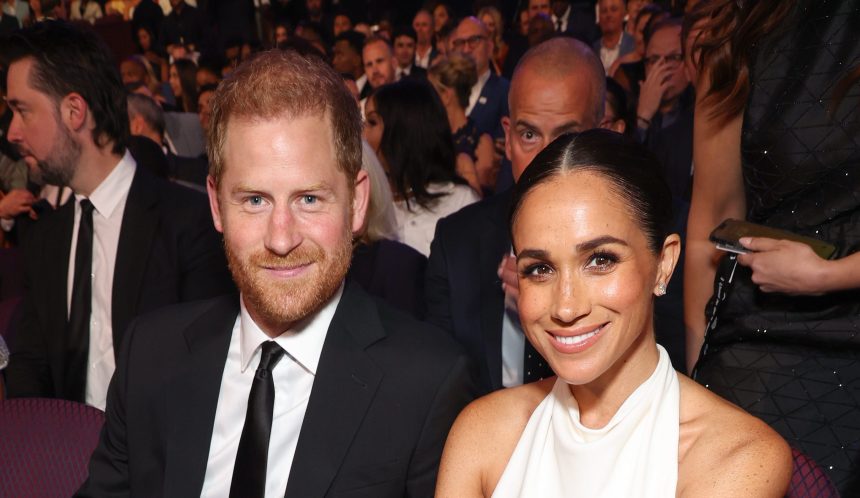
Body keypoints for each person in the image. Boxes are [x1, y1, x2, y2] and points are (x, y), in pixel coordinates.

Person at [79, 48, 475, 497]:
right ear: (215, 204)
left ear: (358, 202)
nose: (281, 239)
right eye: (254, 200)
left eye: (309, 199)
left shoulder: (427, 383)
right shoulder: (149, 356)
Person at [435, 129, 792, 497]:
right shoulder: (481, 434)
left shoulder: (737, 457)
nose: (566, 307)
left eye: (600, 260)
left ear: (663, 264)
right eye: (540, 269)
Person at [3, 21, 233, 409]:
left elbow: (207, 382)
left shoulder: (188, 224)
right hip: (65, 457)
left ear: (74, 111)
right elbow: (30, 370)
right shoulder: (44, 237)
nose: (12, 132)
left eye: (22, 111)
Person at [684, 0, 860, 491]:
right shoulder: (740, 28)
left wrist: (832, 275)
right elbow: (710, 224)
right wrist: (698, 378)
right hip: (758, 331)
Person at [426, 37, 605, 394]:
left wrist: (553, 315)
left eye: (566, 137)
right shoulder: (457, 240)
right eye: (528, 135)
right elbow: (438, 392)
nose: (544, 159)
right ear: (507, 138)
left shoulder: (642, 244)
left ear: (605, 134)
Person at [363, 78, 479, 257]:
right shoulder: (365, 205)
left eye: (372, 122)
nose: (362, 134)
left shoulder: (459, 204)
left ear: (403, 130)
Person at [633, 17, 693, 201]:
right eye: (654, 60)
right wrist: (642, 117)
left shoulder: (701, 115)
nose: (663, 69)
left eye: (673, 58)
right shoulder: (626, 109)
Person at [428, 54, 497, 193]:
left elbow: (479, 202)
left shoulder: (481, 143)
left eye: (430, 93)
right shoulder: (429, 137)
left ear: (446, 96)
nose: (426, 100)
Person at [450, 16, 510, 140]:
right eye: (460, 43)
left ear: (490, 47)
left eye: (473, 40)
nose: (466, 49)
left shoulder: (505, 91)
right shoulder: (446, 91)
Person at [593, 0, 634, 72]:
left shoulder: (634, 46)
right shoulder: (592, 50)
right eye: (604, 11)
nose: (608, 15)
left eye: (614, 10)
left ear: (623, 13)